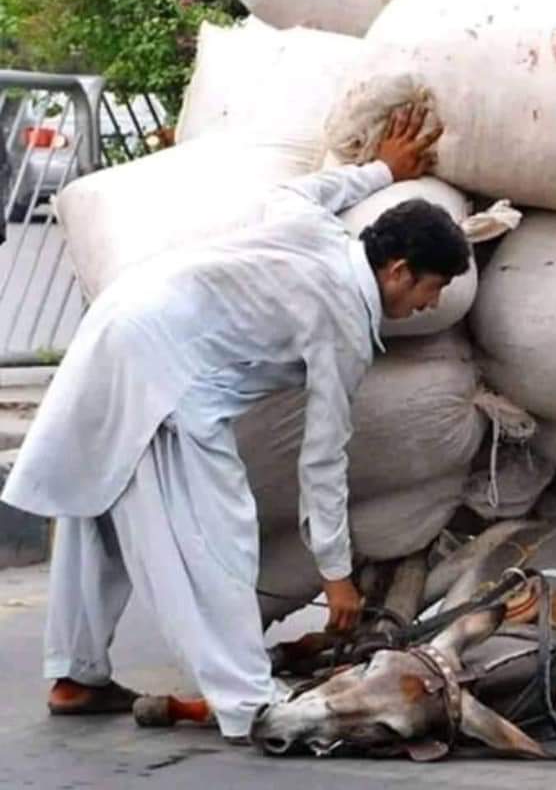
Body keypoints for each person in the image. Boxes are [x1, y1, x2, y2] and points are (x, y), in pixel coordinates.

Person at [0, 105, 471, 741]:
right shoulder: (343, 317)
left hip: (119, 321)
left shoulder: (316, 231)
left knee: (96, 510)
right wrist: (335, 575)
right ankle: (249, 701)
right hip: (169, 370)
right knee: (219, 535)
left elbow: (305, 190)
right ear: (397, 270)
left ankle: (76, 676)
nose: (431, 304)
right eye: (430, 288)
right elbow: (324, 455)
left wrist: (382, 169)